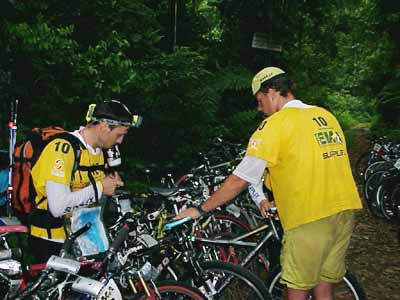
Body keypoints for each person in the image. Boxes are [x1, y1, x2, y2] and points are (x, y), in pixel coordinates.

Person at [175, 67, 363, 300]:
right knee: (324, 288)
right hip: (343, 211)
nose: (259, 107)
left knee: (297, 288)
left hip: (308, 218)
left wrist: (200, 209)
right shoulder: (325, 116)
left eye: (259, 100)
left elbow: (239, 179)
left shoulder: (275, 125)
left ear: (272, 92)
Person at [29, 100, 141, 263]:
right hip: (53, 241)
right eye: (119, 134)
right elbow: (58, 207)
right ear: (103, 127)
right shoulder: (62, 149)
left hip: (86, 238)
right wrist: (100, 188)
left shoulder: (101, 153)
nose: (120, 141)